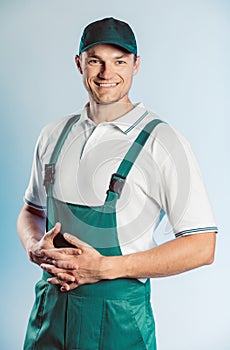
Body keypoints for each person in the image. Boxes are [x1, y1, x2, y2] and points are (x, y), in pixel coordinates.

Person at [17, 17, 218, 350]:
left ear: (136, 65)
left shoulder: (162, 142)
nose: (105, 73)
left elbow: (202, 246)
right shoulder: (53, 135)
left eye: (119, 61)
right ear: (78, 63)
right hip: (49, 316)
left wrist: (105, 268)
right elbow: (31, 211)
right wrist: (33, 247)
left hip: (118, 323)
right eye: (95, 60)